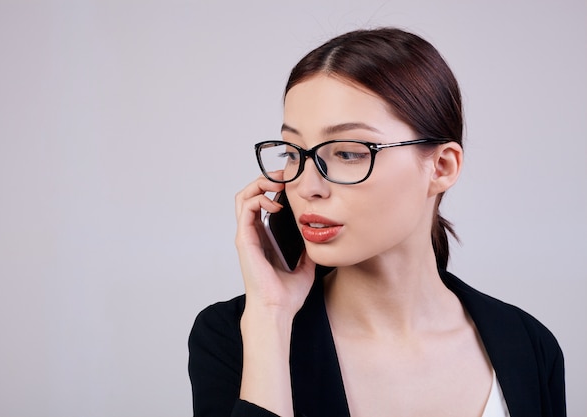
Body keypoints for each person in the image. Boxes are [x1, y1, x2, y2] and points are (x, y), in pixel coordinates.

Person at [188, 28, 566, 417]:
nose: (305, 185)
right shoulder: (238, 336)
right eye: (292, 152)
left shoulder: (527, 346)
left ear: (441, 166)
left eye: (349, 153)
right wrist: (270, 316)